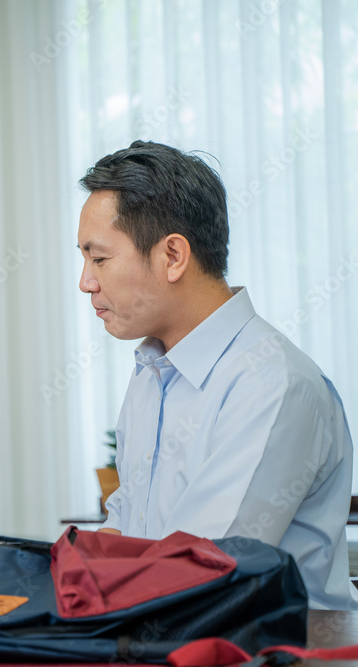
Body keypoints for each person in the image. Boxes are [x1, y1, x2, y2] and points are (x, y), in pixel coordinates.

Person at [77, 140, 358, 610]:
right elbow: (125, 524)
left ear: (172, 257)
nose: (86, 281)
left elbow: (203, 570)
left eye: (99, 258)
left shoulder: (272, 384)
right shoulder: (152, 373)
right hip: (166, 637)